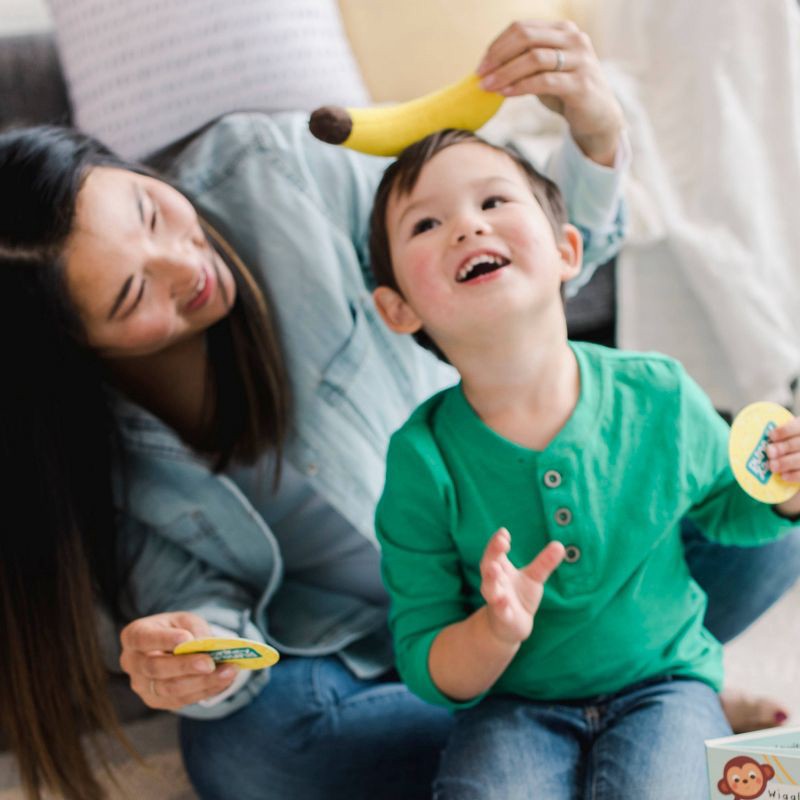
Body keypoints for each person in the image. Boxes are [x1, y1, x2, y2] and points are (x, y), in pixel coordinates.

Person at [0, 19, 794, 800]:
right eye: (133, 294)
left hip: (573, 585)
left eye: (148, 209)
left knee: (769, 516)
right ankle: (638, 715)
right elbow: (202, 611)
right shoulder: (97, 448)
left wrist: (595, 130)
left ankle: (625, 709)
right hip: (376, 649)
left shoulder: (276, 173)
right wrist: (193, 653)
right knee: (253, 755)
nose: (185, 263)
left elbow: (501, 258)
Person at [368, 128, 800, 800]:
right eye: (426, 221)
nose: (465, 227)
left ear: (569, 249)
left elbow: (732, 514)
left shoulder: (658, 392)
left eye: (493, 201)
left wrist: (785, 493)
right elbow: (427, 663)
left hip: (665, 683)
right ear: (398, 308)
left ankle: (722, 734)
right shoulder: (421, 461)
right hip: (512, 706)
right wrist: (492, 631)